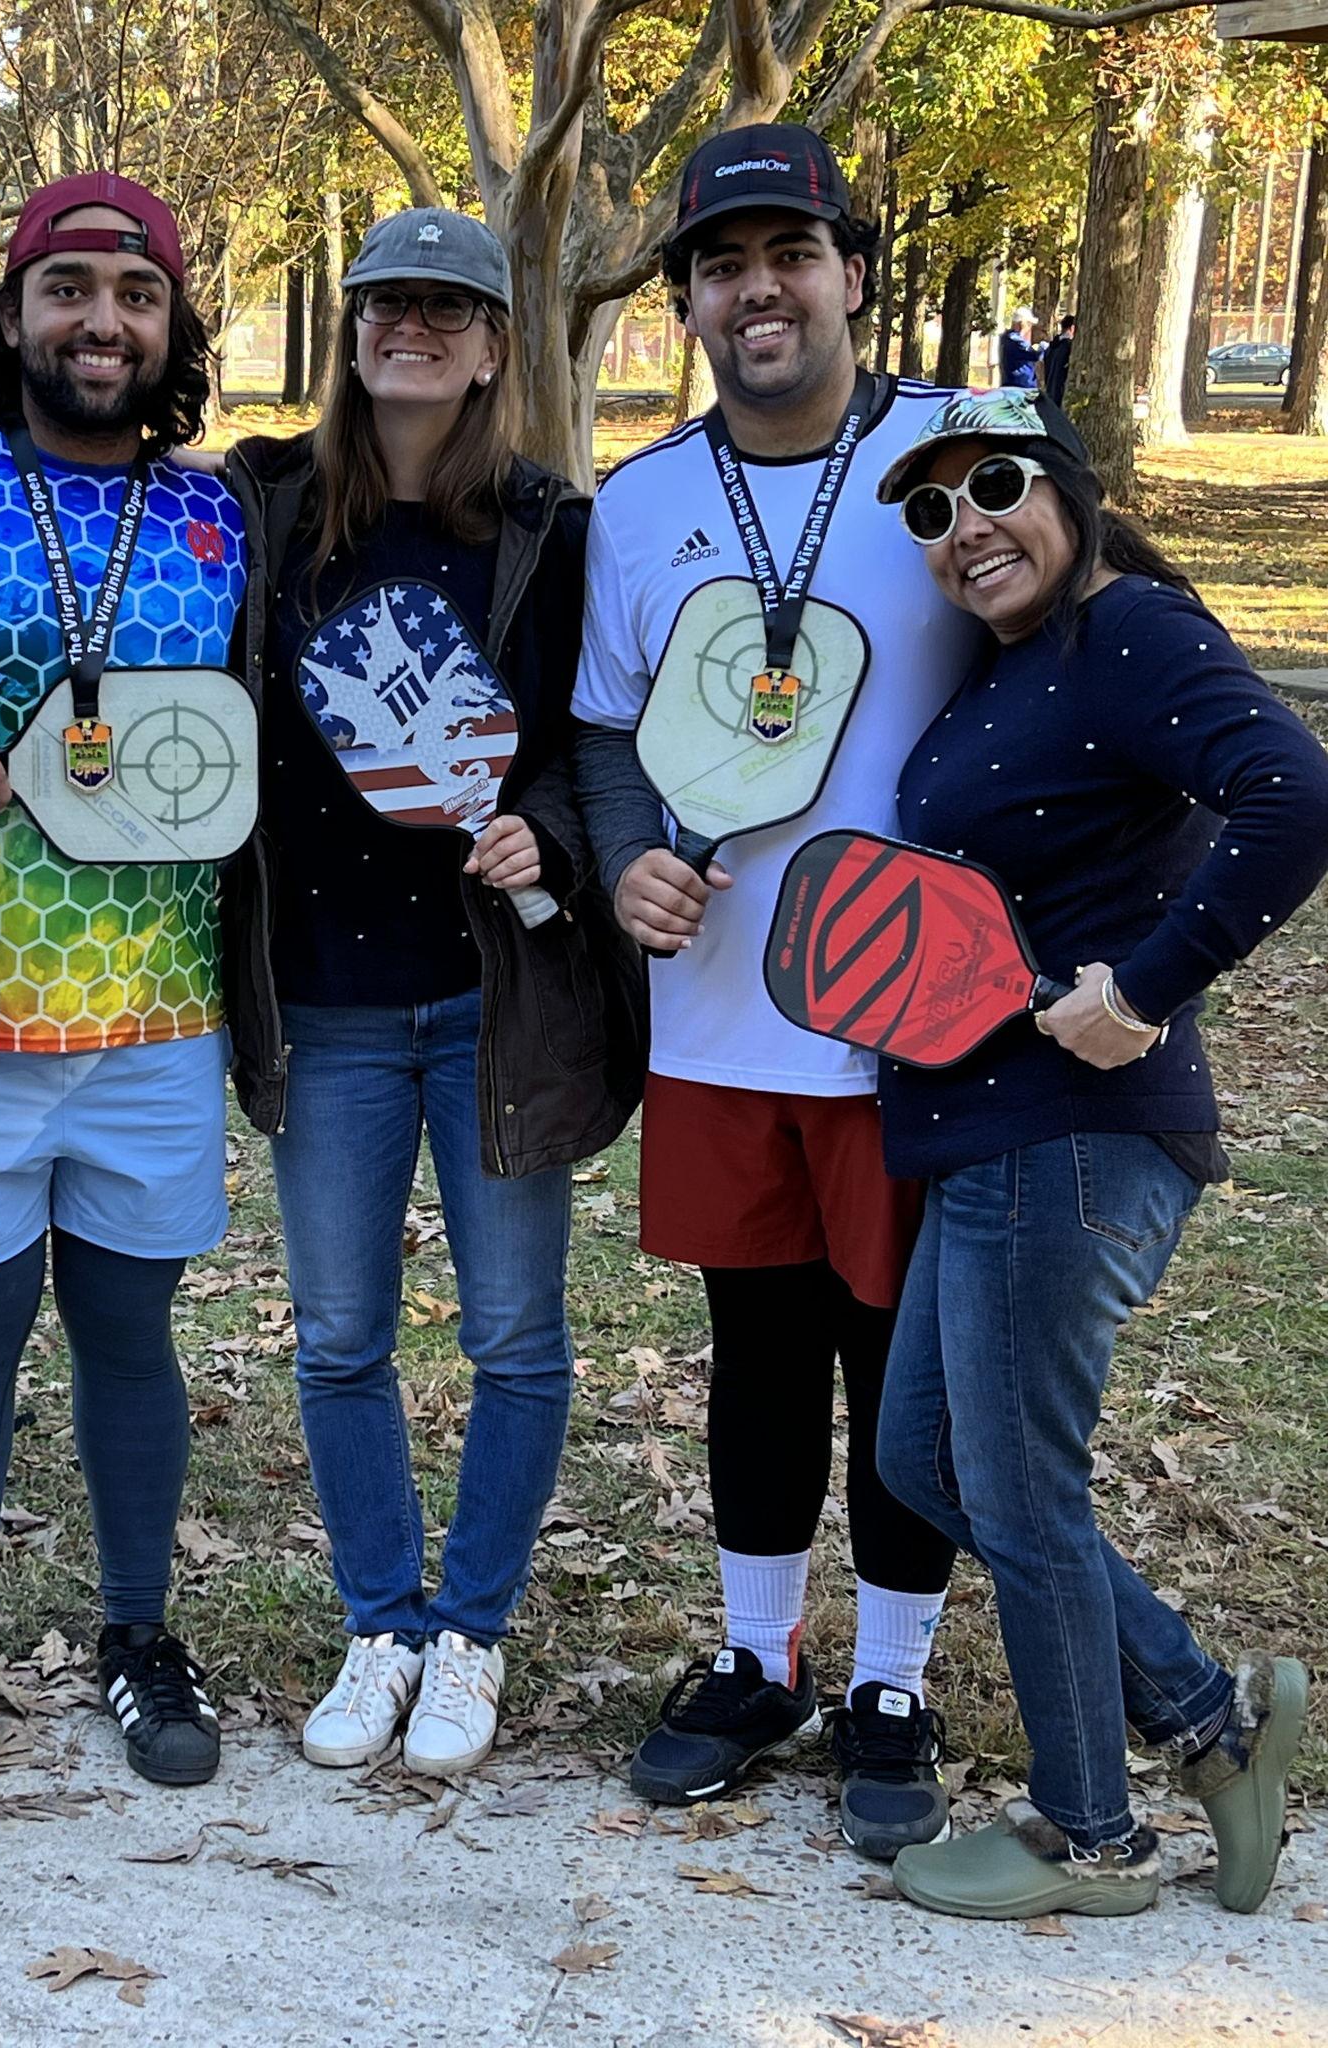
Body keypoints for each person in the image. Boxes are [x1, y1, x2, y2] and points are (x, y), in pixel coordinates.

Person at [864, 385, 1328, 1918]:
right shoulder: (1021, 659)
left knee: (1015, 1484)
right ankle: (1209, 1718)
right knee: (924, 1460)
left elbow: (1295, 797)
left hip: (1066, 1138)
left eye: (989, 486)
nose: (960, 528)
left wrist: (1138, 991)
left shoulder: (1126, 631)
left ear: (1064, 484)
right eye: (928, 512)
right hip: (988, 1135)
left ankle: (1090, 1836)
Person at [571, 123, 980, 1858]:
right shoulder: (643, 499)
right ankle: (756, 1653)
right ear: (686, 301)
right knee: (754, 1348)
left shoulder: (971, 457)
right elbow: (604, 732)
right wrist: (622, 860)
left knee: (897, 1362)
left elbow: (1097, 647)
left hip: (921, 1017)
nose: (759, 288)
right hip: (724, 1012)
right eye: (722, 263)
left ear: (850, 272)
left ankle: (890, 1676)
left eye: (789, 252)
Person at [219, 210, 644, 1775]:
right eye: (387, 302)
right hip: (318, 1000)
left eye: (446, 307)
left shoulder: (548, 527)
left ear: (488, 346)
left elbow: (585, 737)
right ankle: (379, 1622)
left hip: (491, 1000)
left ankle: (470, 1633)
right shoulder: (261, 506)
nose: (414, 326)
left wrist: (548, 823)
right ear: (349, 330)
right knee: (336, 1337)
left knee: (513, 1338)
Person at [0, 175, 245, 1804]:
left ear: (170, 329)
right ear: (10, 315)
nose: (102, 321)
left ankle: (135, 1630)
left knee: (129, 1337)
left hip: (156, 1005)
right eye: (69, 290)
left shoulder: (223, 515)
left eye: (134, 295)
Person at [998, 308, 1041, 390]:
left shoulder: (1006, 337)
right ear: (1022, 324)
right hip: (1020, 386)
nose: (1030, 327)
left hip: (1013, 384)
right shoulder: (1014, 339)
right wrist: (1042, 348)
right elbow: (1034, 354)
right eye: (1029, 323)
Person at [1040, 314, 1075, 406]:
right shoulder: (1068, 347)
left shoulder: (1051, 347)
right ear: (1072, 328)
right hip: (1061, 392)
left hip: (1050, 391)